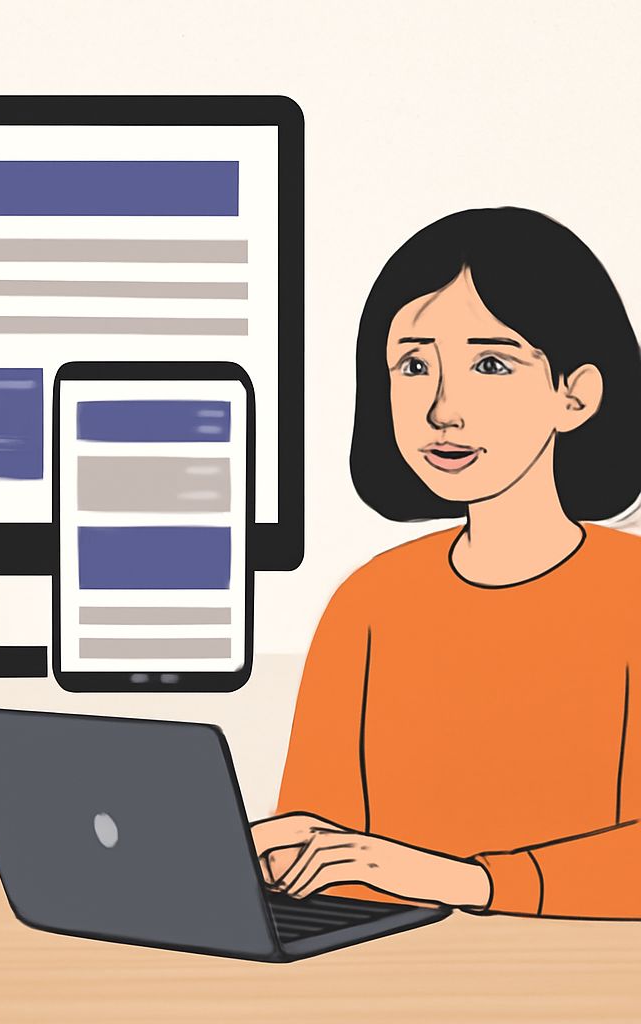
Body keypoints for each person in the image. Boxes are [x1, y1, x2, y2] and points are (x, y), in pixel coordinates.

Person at [251, 207, 641, 918]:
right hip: (392, 975)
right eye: (413, 363)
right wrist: (284, 849)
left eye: (490, 362)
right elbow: (332, 839)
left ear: (575, 394)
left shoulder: (630, 595)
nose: (441, 409)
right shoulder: (368, 601)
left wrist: (466, 881)